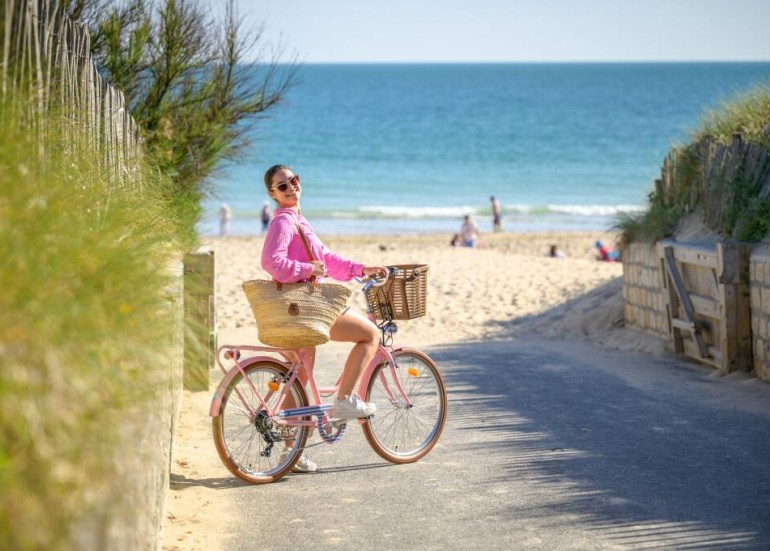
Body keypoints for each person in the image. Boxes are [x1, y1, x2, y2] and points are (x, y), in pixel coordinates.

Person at [261, 164, 387, 473]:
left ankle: (291, 454)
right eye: (282, 186)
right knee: (370, 335)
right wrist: (308, 271)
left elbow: (328, 260)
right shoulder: (285, 222)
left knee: (298, 379)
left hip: (291, 308)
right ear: (272, 194)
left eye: (293, 180)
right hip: (308, 306)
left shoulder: (298, 221)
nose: (290, 187)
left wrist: (361, 269)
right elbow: (271, 262)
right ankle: (344, 400)